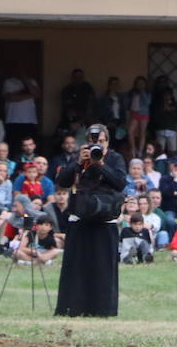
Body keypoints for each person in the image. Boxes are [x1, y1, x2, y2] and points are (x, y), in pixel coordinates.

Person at [54, 123, 127, 317]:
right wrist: (78, 163)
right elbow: (62, 181)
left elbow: (120, 183)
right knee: (76, 267)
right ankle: (73, 307)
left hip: (105, 218)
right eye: (94, 141)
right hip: (81, 217)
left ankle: (103, 309)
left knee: (103, 268)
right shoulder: (80, 156)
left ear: (108, 142)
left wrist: (101, 164)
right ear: (86, 142)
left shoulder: (115, 158)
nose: (98, 145)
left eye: (102, 141)